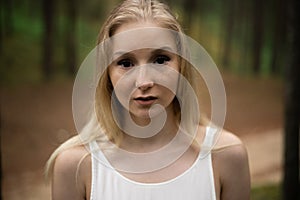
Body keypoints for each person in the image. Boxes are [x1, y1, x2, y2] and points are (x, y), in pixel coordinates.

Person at [46, 0, 251, 199]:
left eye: (160, 59)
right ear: (106, 74)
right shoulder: (75, 166)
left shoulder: (226, 156)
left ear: (181, 66)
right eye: (126, 63)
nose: (144, 81)